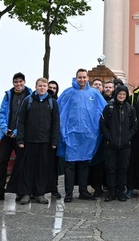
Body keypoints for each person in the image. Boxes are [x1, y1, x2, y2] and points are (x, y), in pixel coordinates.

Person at [57, 69, 107, 202]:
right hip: (71, 135)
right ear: (76, 78)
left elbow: (105, 109)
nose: (82, 80)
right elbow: (58, 109)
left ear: (88, 78)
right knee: (70, 164)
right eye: (80, 77)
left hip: (88, 135)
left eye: (84, 77)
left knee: (84, 163)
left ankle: (83, 191)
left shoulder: (94, 94)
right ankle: (68, 193)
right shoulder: (68, 93)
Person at [8, 77, 61, 205]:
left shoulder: (52, 102)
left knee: (42, 169)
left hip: (45, 142)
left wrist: (54, 141)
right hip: (29, 141)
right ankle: (26, 193)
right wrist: (20, 139)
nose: (42, 88)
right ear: (36, 87)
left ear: (47, 87)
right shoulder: (28, 101)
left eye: (44, 86)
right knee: (27, 168)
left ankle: (40, 194)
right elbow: (21, 121)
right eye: (40, 86)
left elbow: (56, 123)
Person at [0, 72, 32, 202]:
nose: (18, 84)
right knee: (2, 163)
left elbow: (29, 117)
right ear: (13, 83)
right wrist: (4, 127)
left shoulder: (29, 96)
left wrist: (17, 132)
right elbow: (2, 113)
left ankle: (20, 191)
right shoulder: (8, 95)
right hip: (6, 135)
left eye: (20, 82)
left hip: (20, 136)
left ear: (24, 82)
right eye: (16, 82)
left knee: (21, 164)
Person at [100, 84, 138, 202]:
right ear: (116, 94)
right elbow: (103, 125)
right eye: (120, 94)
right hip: (110, 145)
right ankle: (111, 192)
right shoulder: (109, 108)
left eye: (124, 94)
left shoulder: (130, 108)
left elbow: (134, 125)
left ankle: (121, 192)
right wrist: (110, 137)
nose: (121, 96)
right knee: (111, 169)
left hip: (125, 145)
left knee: (123, 169)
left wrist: (128, 137)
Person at [47, 80, 62, 198]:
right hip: (42, 137)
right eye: (50, 87)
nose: (52, 89)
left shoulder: (58, 102)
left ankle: (54, 187)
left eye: (54, 88)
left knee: (54, 165)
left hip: (54, 137)